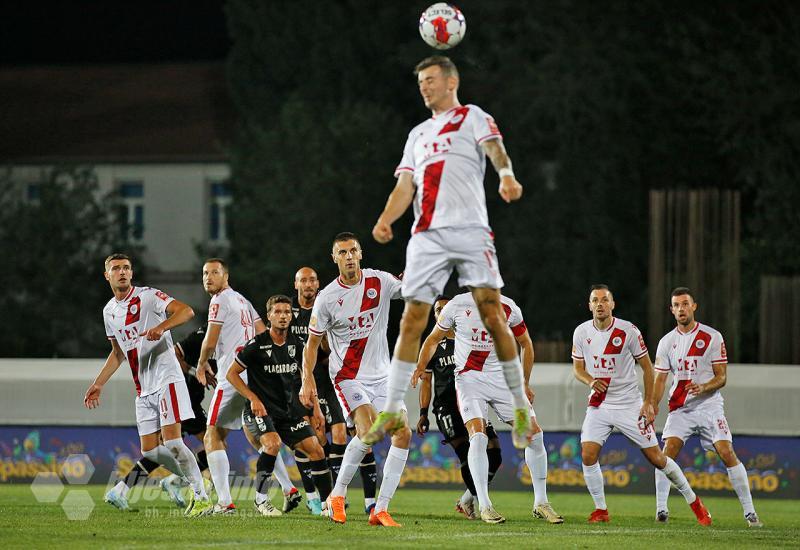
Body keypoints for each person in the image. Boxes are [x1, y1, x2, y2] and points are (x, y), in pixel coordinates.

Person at [367, 55, 531, 449]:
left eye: (430, 79)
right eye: (420, 81)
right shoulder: (418, 134)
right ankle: (390, 407)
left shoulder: (473, 116)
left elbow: (496, 149)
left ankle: (520, 405)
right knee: (412, 320)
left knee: (493, 314)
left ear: (451, 81)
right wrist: (386, 219)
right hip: (427, 236)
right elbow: (404, 187)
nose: (424, 86)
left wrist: (506, 176)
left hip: (471, 229)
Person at [413, 292, 562, 524]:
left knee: (534, 434)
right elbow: (432, 339)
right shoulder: (457, 305)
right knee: (479, 437)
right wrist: (420, 366)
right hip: (469, 381)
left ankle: (541, 503)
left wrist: (524, 381)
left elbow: (526, 343)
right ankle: (484, 505)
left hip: (502, 381)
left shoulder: (509, 307)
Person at [571, 284, 712, 525]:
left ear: (613, 304)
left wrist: (648, 402)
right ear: (589, 305)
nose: (600, 304)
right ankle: (601, 510)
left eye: (605, 300)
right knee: (587, 454)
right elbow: (577, 369)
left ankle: (695, 502)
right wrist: (590, 381)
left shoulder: (628, 330)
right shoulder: (581, 332)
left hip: (629, 405)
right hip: (600, 405)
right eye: (595, 300)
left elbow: (648, 368)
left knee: (657, 458)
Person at [85, 253, 211, 517]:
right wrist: (99, 383)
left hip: (167, 379)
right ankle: (195, 482)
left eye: (126, 268)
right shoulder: (109, 311)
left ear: (131, 273)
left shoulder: (148, 296)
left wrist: (162, 327)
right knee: (151, 450)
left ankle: (201, 496)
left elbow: (186, 311)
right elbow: (118, 352)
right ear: (106, 275)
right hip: (143, 388)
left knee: (174, 442)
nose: (122, 272)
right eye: (116, 268)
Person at [299, 232, 410, 527]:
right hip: (348, 376)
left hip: (383, 375)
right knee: (370, 430)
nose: (348, 256)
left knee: (403, 433)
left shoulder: (380, 281)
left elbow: (409, 291)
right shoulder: (327, 298)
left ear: (360, 254)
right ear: (334, 258)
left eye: (353, 251)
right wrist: (306, 380)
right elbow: (311, 345)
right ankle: (337, 495)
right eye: (342, 252)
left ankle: (381, 509)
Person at [195, 258, 300, 514]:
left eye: (215, 272)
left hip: (233, 378)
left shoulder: (218, 301)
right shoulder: (243, 301)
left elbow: (210, 340)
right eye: (205, 273)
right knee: (259, 439)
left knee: (213, 435)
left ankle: (224, 502)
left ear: (226, 276)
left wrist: (201, 364)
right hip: (252, 379)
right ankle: (288, 488)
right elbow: (263, 330)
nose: (209, 277)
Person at [652, 287, 763, 527]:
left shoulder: (712, 336)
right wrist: (652, 405)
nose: (681, 309)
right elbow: (660, 380)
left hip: (709, 405)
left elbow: (721, 377)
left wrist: (704, 386)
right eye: (676, 305)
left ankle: (750, 513)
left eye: (685, 304)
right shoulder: (666, 342)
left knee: (726, 451)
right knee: (664, 455)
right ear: (671, 310)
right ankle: (661, 510)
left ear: (694, 306)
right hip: (680, 408)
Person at [227, 295, 333, 517]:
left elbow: (307, 376)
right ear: (269, 316)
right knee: (272, 444)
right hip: (261, 410)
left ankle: (326, 505)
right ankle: (261, 500)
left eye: (287, 312)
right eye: (278, 312)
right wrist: (253, 398)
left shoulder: (298, 344)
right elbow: (232, 374)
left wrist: (316, 409)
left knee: (316, 449)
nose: (283, 316)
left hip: (288, 411)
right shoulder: (256, 345)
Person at [291, 267, 377, 515]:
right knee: (312, 441)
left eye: (312, 280)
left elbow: (338, 343)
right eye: (303, 280)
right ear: (296, 284)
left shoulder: (328, 305)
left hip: (330, 382)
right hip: (300, 384)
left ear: (318, 284)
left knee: (342, 435)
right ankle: (315, 497)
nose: (308, 284)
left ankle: (345, 496)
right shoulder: (288, 312)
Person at [413, 295, 503, 520]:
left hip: (472, 402)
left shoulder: (470, 338)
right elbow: (426, 382)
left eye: (445, 308)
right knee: (466, 454)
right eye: (437, 310)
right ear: (436, 316)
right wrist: (423, 413)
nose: (441, 312)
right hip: (447, 408)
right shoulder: (433, 344)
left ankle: (467, 499)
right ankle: (484, 504)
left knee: (495, 454)